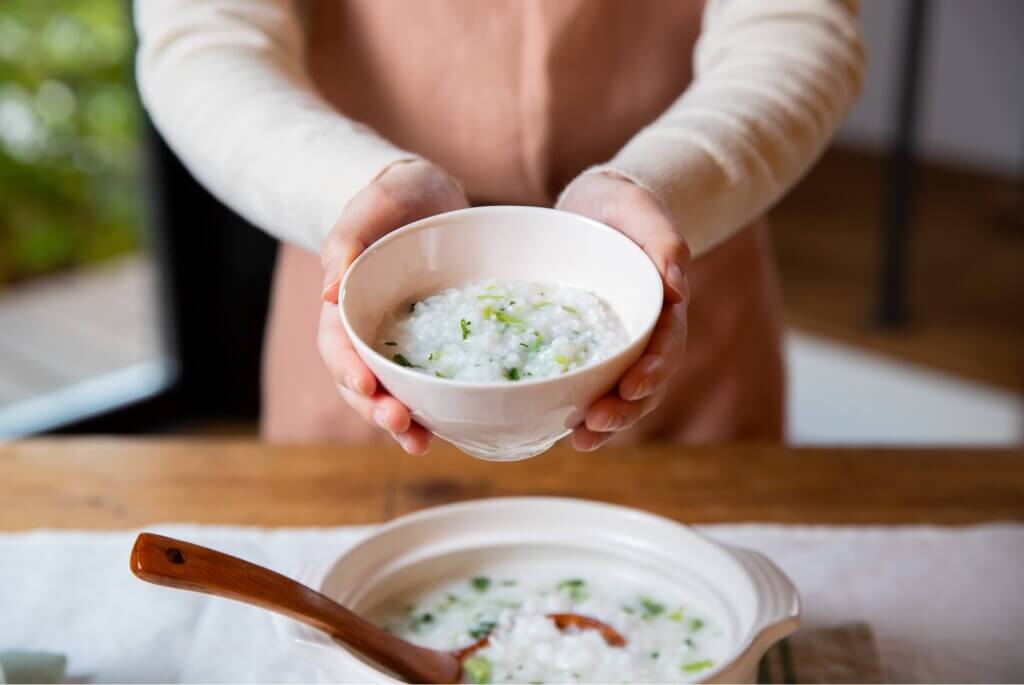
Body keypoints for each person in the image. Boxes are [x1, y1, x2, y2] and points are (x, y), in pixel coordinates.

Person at [135, 0, 864, 453]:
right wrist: (358, 186)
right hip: (362, 269)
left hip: (672, 265)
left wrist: (664, 182)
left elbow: (797, 23)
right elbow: (202, 39)